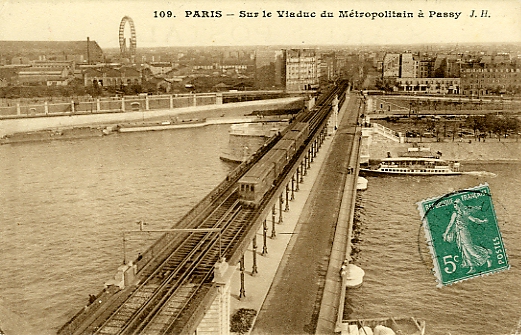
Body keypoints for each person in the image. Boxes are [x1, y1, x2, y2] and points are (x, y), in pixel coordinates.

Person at [443, 199, 491, 274]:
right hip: (459, 233)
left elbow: (474, 220)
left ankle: (486, 258)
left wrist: (483, 221)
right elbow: (450, 225)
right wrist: (446, 233)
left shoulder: (463, 213)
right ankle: (472, 267)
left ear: (459, 205)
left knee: (470, 248)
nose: (454, 206)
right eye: (454, 205)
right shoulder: (457, 213)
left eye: (455, 205)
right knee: (464, 250)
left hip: (464, 232)